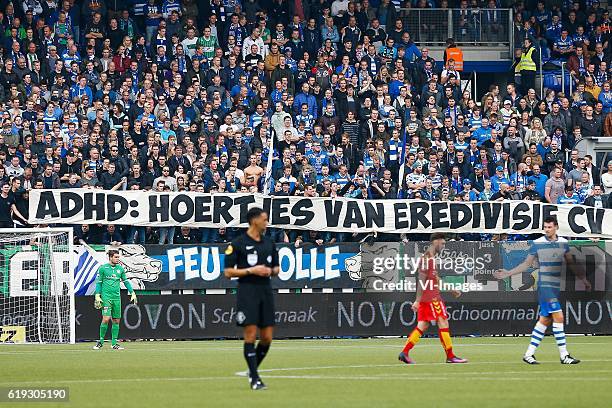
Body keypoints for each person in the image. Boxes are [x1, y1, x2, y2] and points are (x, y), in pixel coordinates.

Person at [494, 216, 591, 364]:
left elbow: (571, 262)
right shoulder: (537, 243)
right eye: (545, 227)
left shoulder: (563, 243)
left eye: (549, 227)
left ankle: (528, 354)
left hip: (556, 286)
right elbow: (526, 264)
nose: (547, 229)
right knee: (559, 317)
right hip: (545, 286)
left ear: (556, 227)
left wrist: (583, 279)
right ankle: (564, 355)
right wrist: (508, 273)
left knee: (544, 321)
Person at [224, 207, 280, 390]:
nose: (267, 222)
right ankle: (255, 378)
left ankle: (252, 369)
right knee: (250, 334)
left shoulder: (269, 243)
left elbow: (277, 269)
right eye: (264, 219)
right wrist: (251, 270)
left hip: (265, 289)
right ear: (255, 220)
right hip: (247, 290)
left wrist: (270, 271)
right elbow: (228, 272)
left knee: (267, 337)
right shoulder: (238, 243)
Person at [398, 233, 468, 364]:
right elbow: (421, 280)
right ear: (435, 242)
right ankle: (450, 355)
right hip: (431, 298)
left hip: (428, 297)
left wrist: (451, 289)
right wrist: (418, 300)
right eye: (442, 243)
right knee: (443, 322)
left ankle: (405, 352)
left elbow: (434, 278)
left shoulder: (430, 258)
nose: (443, 246)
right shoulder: (427, 258)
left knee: (423, 325)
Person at [93, 249, 137, 350]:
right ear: (110, 257)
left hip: (116, 298)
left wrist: (132, 292)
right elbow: (99, 283)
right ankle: (100, 341)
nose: (117, 259)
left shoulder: (120, 269)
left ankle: (114, 344)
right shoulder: (103, 268)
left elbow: (126, 281)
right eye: (116, 257)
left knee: (116, 320)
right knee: (106, 319)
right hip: (106, 297)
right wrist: (97, 295)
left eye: (118, 257)